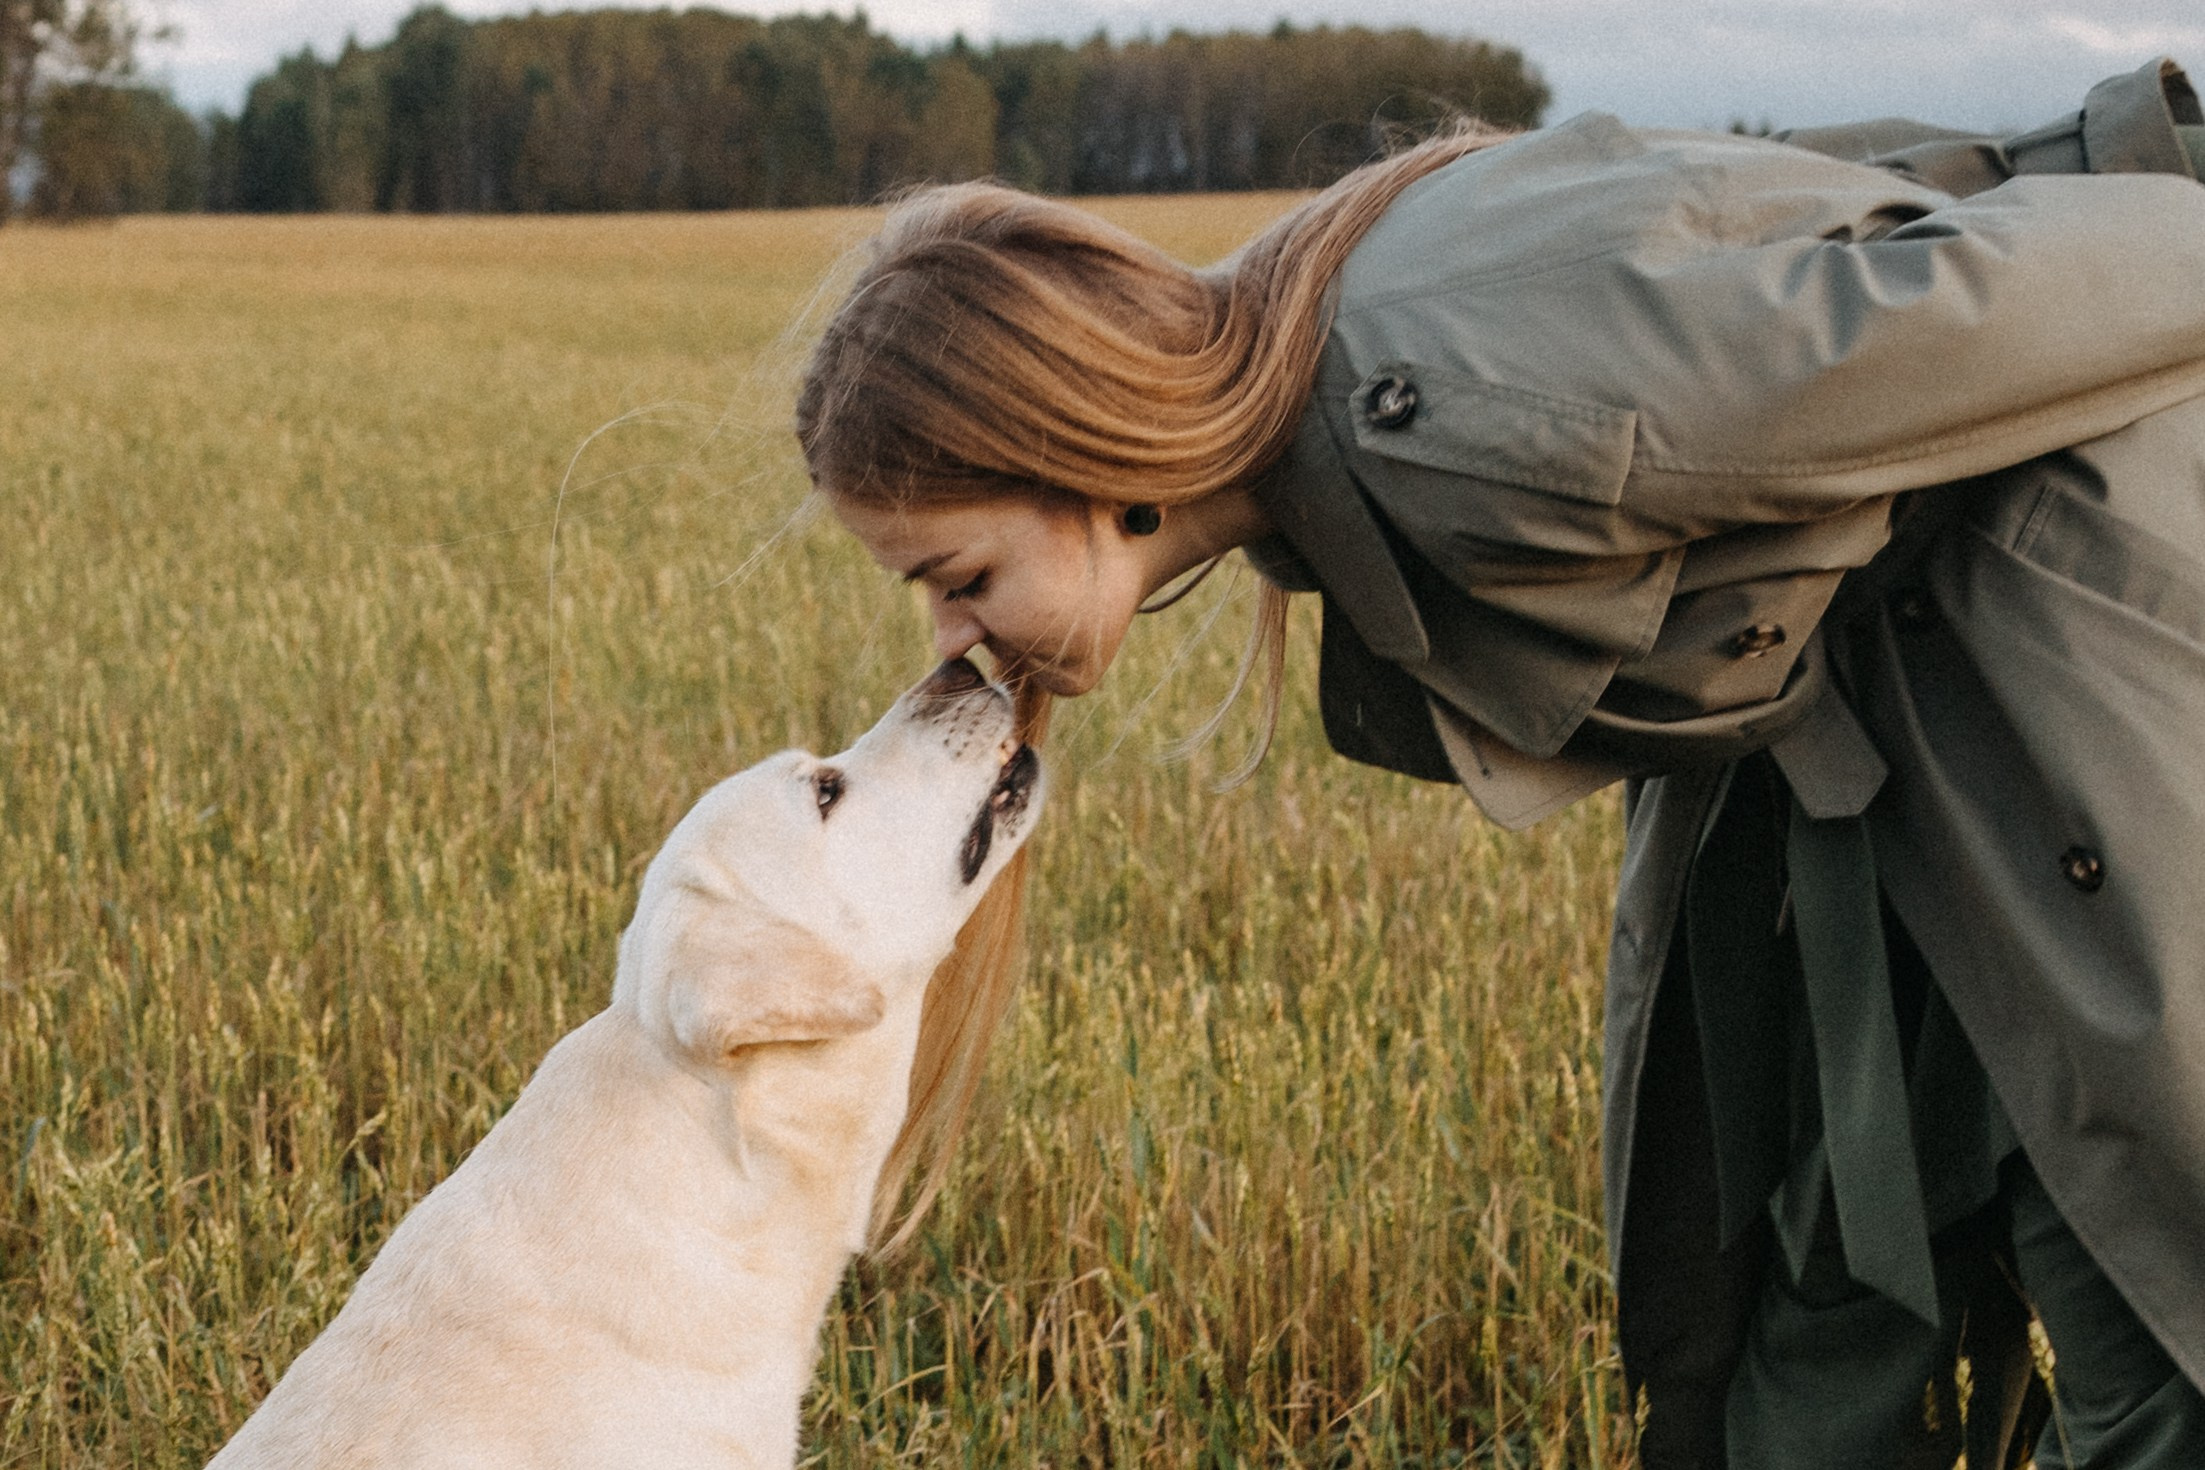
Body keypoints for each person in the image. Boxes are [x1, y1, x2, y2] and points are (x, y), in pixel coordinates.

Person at [795, 56, 2205, 1469]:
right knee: (1813, 1336)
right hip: (1892, 755)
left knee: (2152, 1343)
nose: (950, 639)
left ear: (1077, 447)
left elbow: (1976, 300)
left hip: (2070, 654)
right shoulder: (1322, 405)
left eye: (959, 575)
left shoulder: (1452, 404)